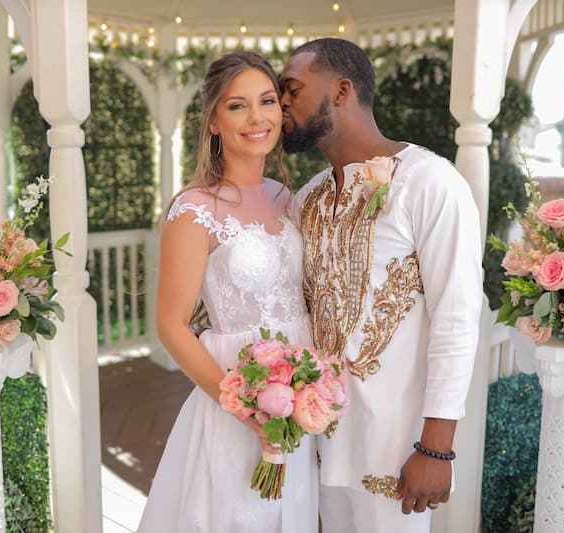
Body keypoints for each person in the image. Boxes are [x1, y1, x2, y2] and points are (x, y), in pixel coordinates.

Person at [281, 38, 483, 533]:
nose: (281, 103)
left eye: (292, 89)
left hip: (398, 449)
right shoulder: (306, 199)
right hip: (318, 442)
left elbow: (456, 317)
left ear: (341, 90)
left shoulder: (431, 182)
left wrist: (436, 447)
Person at [137, 52, 318, 533]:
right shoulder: (194, 209)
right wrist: (243, 407)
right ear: (214, 122)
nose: (257, 118)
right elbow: (171, 326)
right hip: (235, 387)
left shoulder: (287, 197)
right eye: (238, 106)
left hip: (301, 391)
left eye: (267, 101)